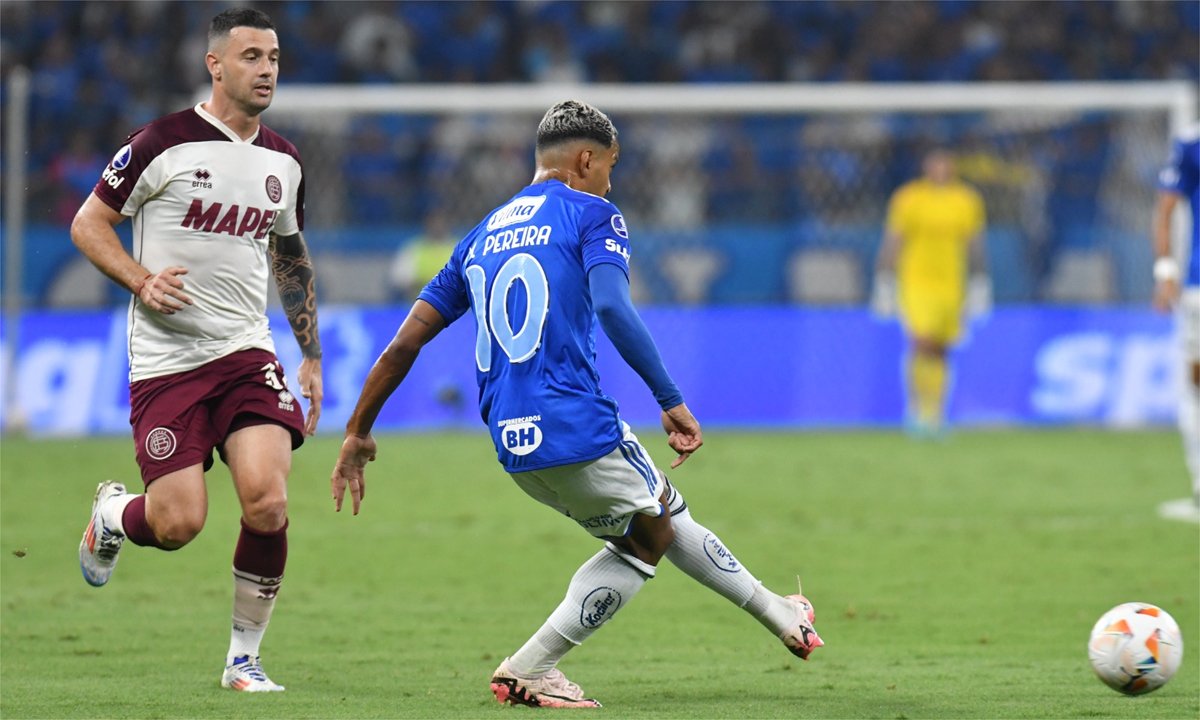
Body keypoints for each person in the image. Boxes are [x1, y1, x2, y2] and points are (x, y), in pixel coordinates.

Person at [330, 100, 823, 708]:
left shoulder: (479, 236)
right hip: (574, 420)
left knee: (658, 517)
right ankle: (531, 667)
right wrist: (669, 399)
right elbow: (614, 307)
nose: (610, 181)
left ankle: (782, 616)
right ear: (586, 159)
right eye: (610, 167)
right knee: (650, 537)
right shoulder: (594, 214)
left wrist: (357, 430)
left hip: (512, 440)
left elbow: (405, 341)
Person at [71, 8, 322, 693]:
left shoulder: (284, 161)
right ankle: (113, 514)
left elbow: (291, 257)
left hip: (246, 355)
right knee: (178, 524)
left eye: (273, 56)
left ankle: (244, 659)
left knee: (267, 503)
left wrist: (311, 354)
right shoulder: (161, 143)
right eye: (250, 57)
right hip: (168, 365)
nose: (266, 68)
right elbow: (88, 223)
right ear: (215, 65)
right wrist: (141, 279)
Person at [872, 149, 990, 436]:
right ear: (926, 166)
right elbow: (894, 239)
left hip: (951, 284)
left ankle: (936, 412)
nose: (940, 169)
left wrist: (980, 281)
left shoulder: (966, 200)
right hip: (916, 281)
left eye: (945, 163)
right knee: (921, 341)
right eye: (935, 163)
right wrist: (884, 278)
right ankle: (915, 409)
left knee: (941, 349)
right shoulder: (909, 198)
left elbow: (974, 243)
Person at [1151, 122, 1200, 518]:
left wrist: (1165, 272)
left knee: (1195, 388)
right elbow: (1166, 209)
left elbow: (1164, 209)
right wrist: (1167, 271)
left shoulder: (1191, 141)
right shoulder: (1191, 143)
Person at [387, 209, 457, 302]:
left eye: (441, 223)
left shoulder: (458, 249)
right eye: (434, 223)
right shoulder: (414, 248)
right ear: (427, 225)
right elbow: (399, 279)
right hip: (419, 305)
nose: (438, 226)